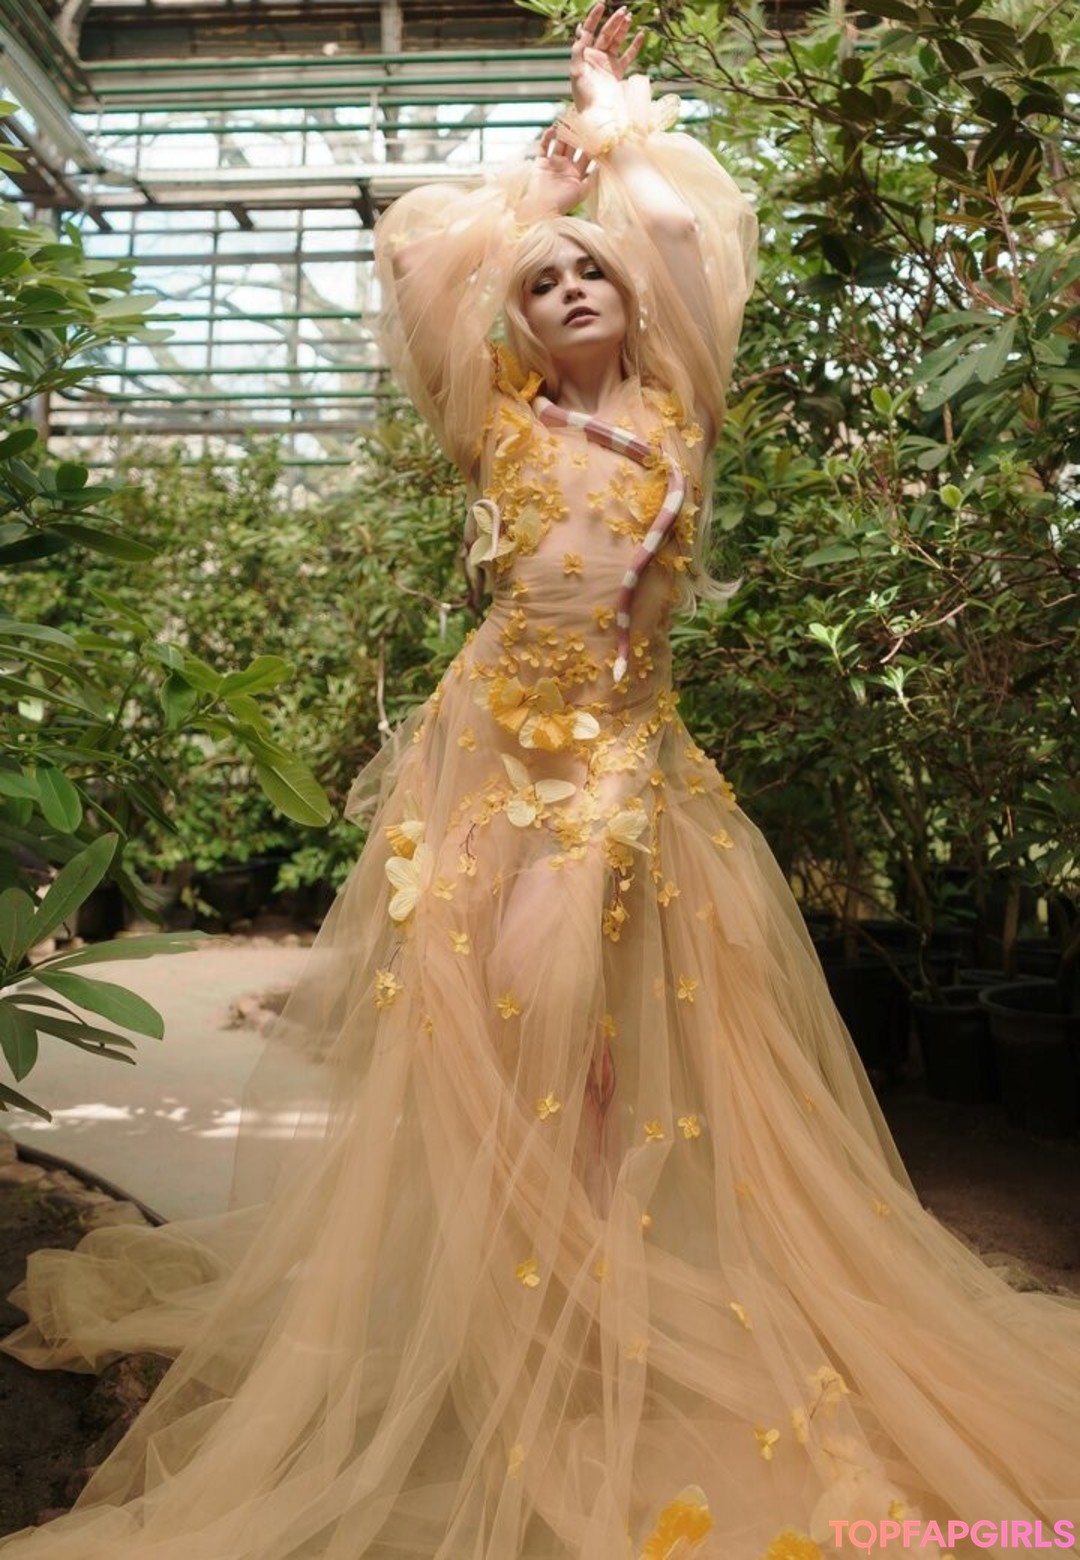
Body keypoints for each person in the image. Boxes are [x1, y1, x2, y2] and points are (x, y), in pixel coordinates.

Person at [2, 6, 1079, 1557]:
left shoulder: (679, 408)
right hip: (486, 756)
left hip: (625, 769)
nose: (571, 286)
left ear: (630, 304)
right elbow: (413, 253)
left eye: (591, 273)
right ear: (516, 318)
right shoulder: (493, 417)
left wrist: (616, 125)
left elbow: (689, 248)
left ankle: (604, 1300)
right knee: (485, 1036)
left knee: (590, 1026)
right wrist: (546, 179)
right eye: (543, 281)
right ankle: (521, 1304)